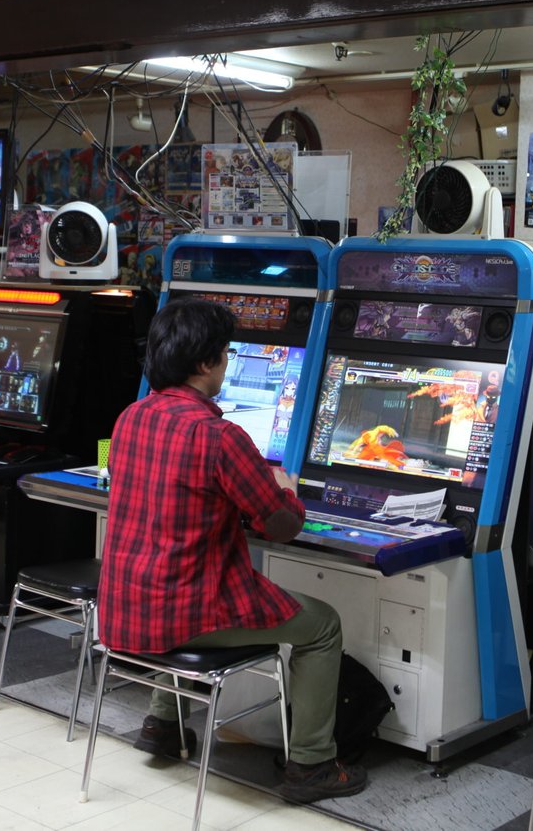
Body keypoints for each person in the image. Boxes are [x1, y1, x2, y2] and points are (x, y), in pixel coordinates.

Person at [100, 299, 367, 804]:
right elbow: (281, 526)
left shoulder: (130, 417)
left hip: (124, 608)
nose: (227, 363)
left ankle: (162, 723)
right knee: (323, 625)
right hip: (185, 611)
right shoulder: (220, 435)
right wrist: (287, 488)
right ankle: (312, 765)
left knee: (173, 584)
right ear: (205, 364)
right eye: (226, 353)